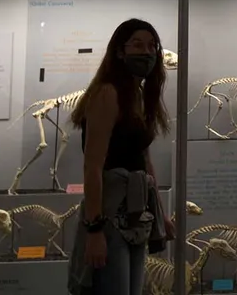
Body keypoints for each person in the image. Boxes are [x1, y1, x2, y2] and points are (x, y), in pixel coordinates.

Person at [67, 18, 174, 295]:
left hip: (137, 212)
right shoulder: (107, 93)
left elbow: (144, 159)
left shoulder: (137, 95)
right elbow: (92, 167)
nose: (146, 52)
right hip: (111, 212)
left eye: (152, 46)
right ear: (119, 51)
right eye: (137, 45)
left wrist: (160, 213)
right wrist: (94, 230)